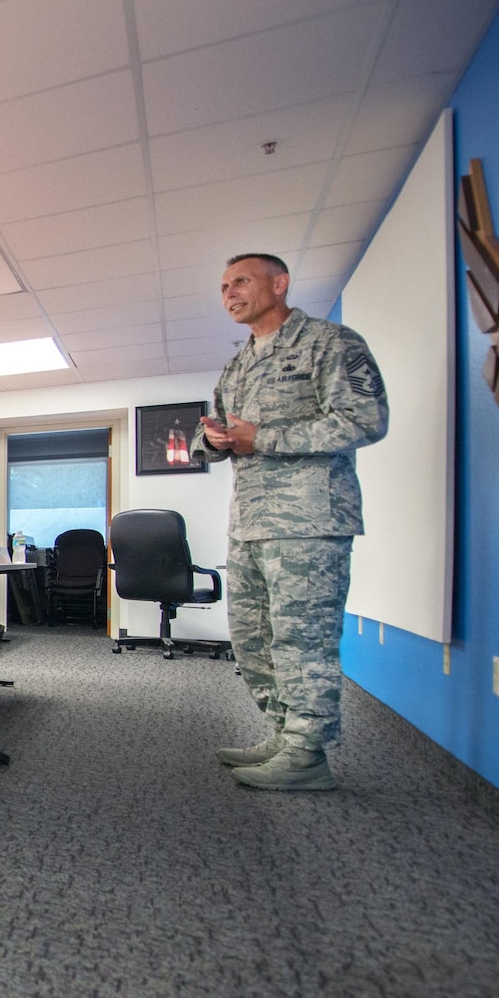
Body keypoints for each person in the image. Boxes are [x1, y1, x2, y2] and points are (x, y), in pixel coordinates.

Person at [198, 252, 388, 792]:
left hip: (309, 520)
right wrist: (209, 439)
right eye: (224, 285)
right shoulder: (237, 363)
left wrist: (268, 438)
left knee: (302, 640)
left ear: (279, 284)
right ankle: (283, 734)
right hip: (251, 522)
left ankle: (308, 754)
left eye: (241, 281)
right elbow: (218, 430)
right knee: (254, 638)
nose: (230, 292)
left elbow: (366, 419)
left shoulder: (331, 343)